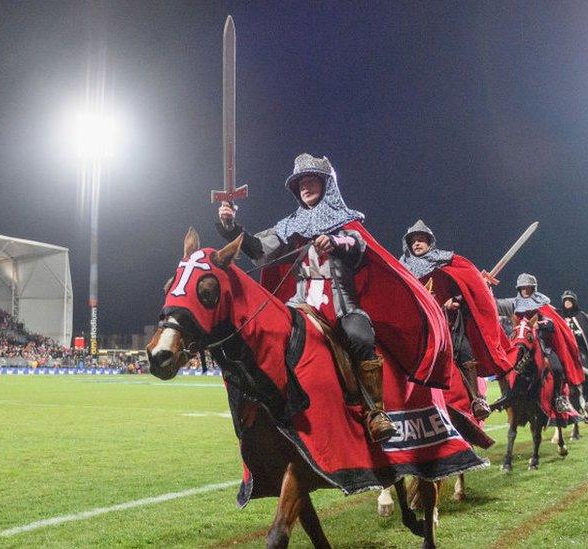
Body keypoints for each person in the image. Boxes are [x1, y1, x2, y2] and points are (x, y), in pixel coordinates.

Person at [216, 153, 451, 443]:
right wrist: (230, 227)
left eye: (312, 180)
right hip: (299, 304)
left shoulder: (346, 221)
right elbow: (258, 249)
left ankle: (375, 411)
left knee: (360, 335)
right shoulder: (289, 225)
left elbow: (357, 246)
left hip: (341, 305)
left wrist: (336, 242)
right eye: (301, 183)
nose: (306, 186)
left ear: (326, 185)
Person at [399, 220, 512, 420]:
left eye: (421, 240)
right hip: (420, 325)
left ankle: (477, 399)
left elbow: (466, 288)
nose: (416, 244)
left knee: (463, 350)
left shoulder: (445, 262)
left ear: (429, 242)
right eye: (413, 241)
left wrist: (462, 295)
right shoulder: (402, 268)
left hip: (447, 323)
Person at [494, 274, 584, 414]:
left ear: (533, 288)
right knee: (503, 367)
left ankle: (559, 397)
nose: (525, 291)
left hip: (541, 344)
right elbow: (494, 304)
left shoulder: (542, 304)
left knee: (557, 367)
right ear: (519, 289)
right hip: (518, 344)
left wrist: (539, 324)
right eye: (522, 288)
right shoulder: (513, 304)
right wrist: (486, 288)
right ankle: (506, 393)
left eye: (528, 288)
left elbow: (552, 323)